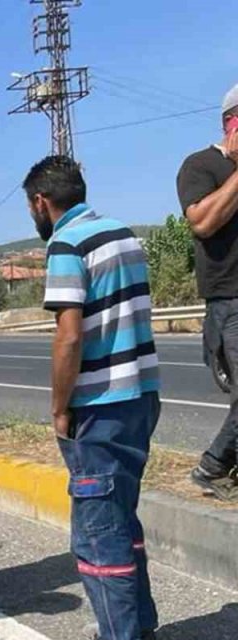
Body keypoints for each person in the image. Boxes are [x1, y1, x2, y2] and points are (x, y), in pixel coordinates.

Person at [24, 157, 162, 640]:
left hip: (99, 405)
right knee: (123, 520)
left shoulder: (66, 243)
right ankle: (138, 631)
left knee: (97, 528)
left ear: (41, 201)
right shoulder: (123, 234)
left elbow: (70, 336)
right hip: (141, 395)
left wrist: (60, 406)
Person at [179, 83, 238, 500]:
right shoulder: (200, 166)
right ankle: (212, 468)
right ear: (231, 123)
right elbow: (202, 222)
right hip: (231, 301)